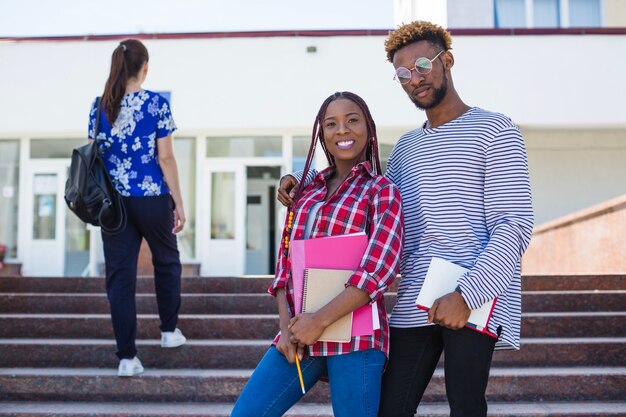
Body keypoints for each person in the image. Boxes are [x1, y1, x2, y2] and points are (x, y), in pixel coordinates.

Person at [277, 21, 534, 417]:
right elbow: (360, 179)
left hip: (475, 295)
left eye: (421, 65)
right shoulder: (407, 149)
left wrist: (467, 294)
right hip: (416, 296)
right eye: (401, 73)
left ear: (446, 61)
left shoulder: (495, 130)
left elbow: (513, 224)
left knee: (466, 406)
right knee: (391, 408)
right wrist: (304, 179)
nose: (413, 78)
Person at [231, 91, 404, 417]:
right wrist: (287, 328)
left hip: (357, 337)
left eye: (352, 120)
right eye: (331, 123)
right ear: (320, 133)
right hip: (300, 330)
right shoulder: (306, 192)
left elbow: (379, 269)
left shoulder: (381, 190)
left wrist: (318, 321)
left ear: (368, 127)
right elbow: (285, 265)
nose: (342, 130)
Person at [88, 39, 187, 377]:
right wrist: (179, 201)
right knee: (167, 261)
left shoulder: (99, 105)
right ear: (145, 67)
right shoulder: (155, 103)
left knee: (120, 277)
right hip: (152, 196)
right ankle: (168, 331)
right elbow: (166, 157)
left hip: (113, 205)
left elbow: (93, 157)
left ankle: (127, 358)